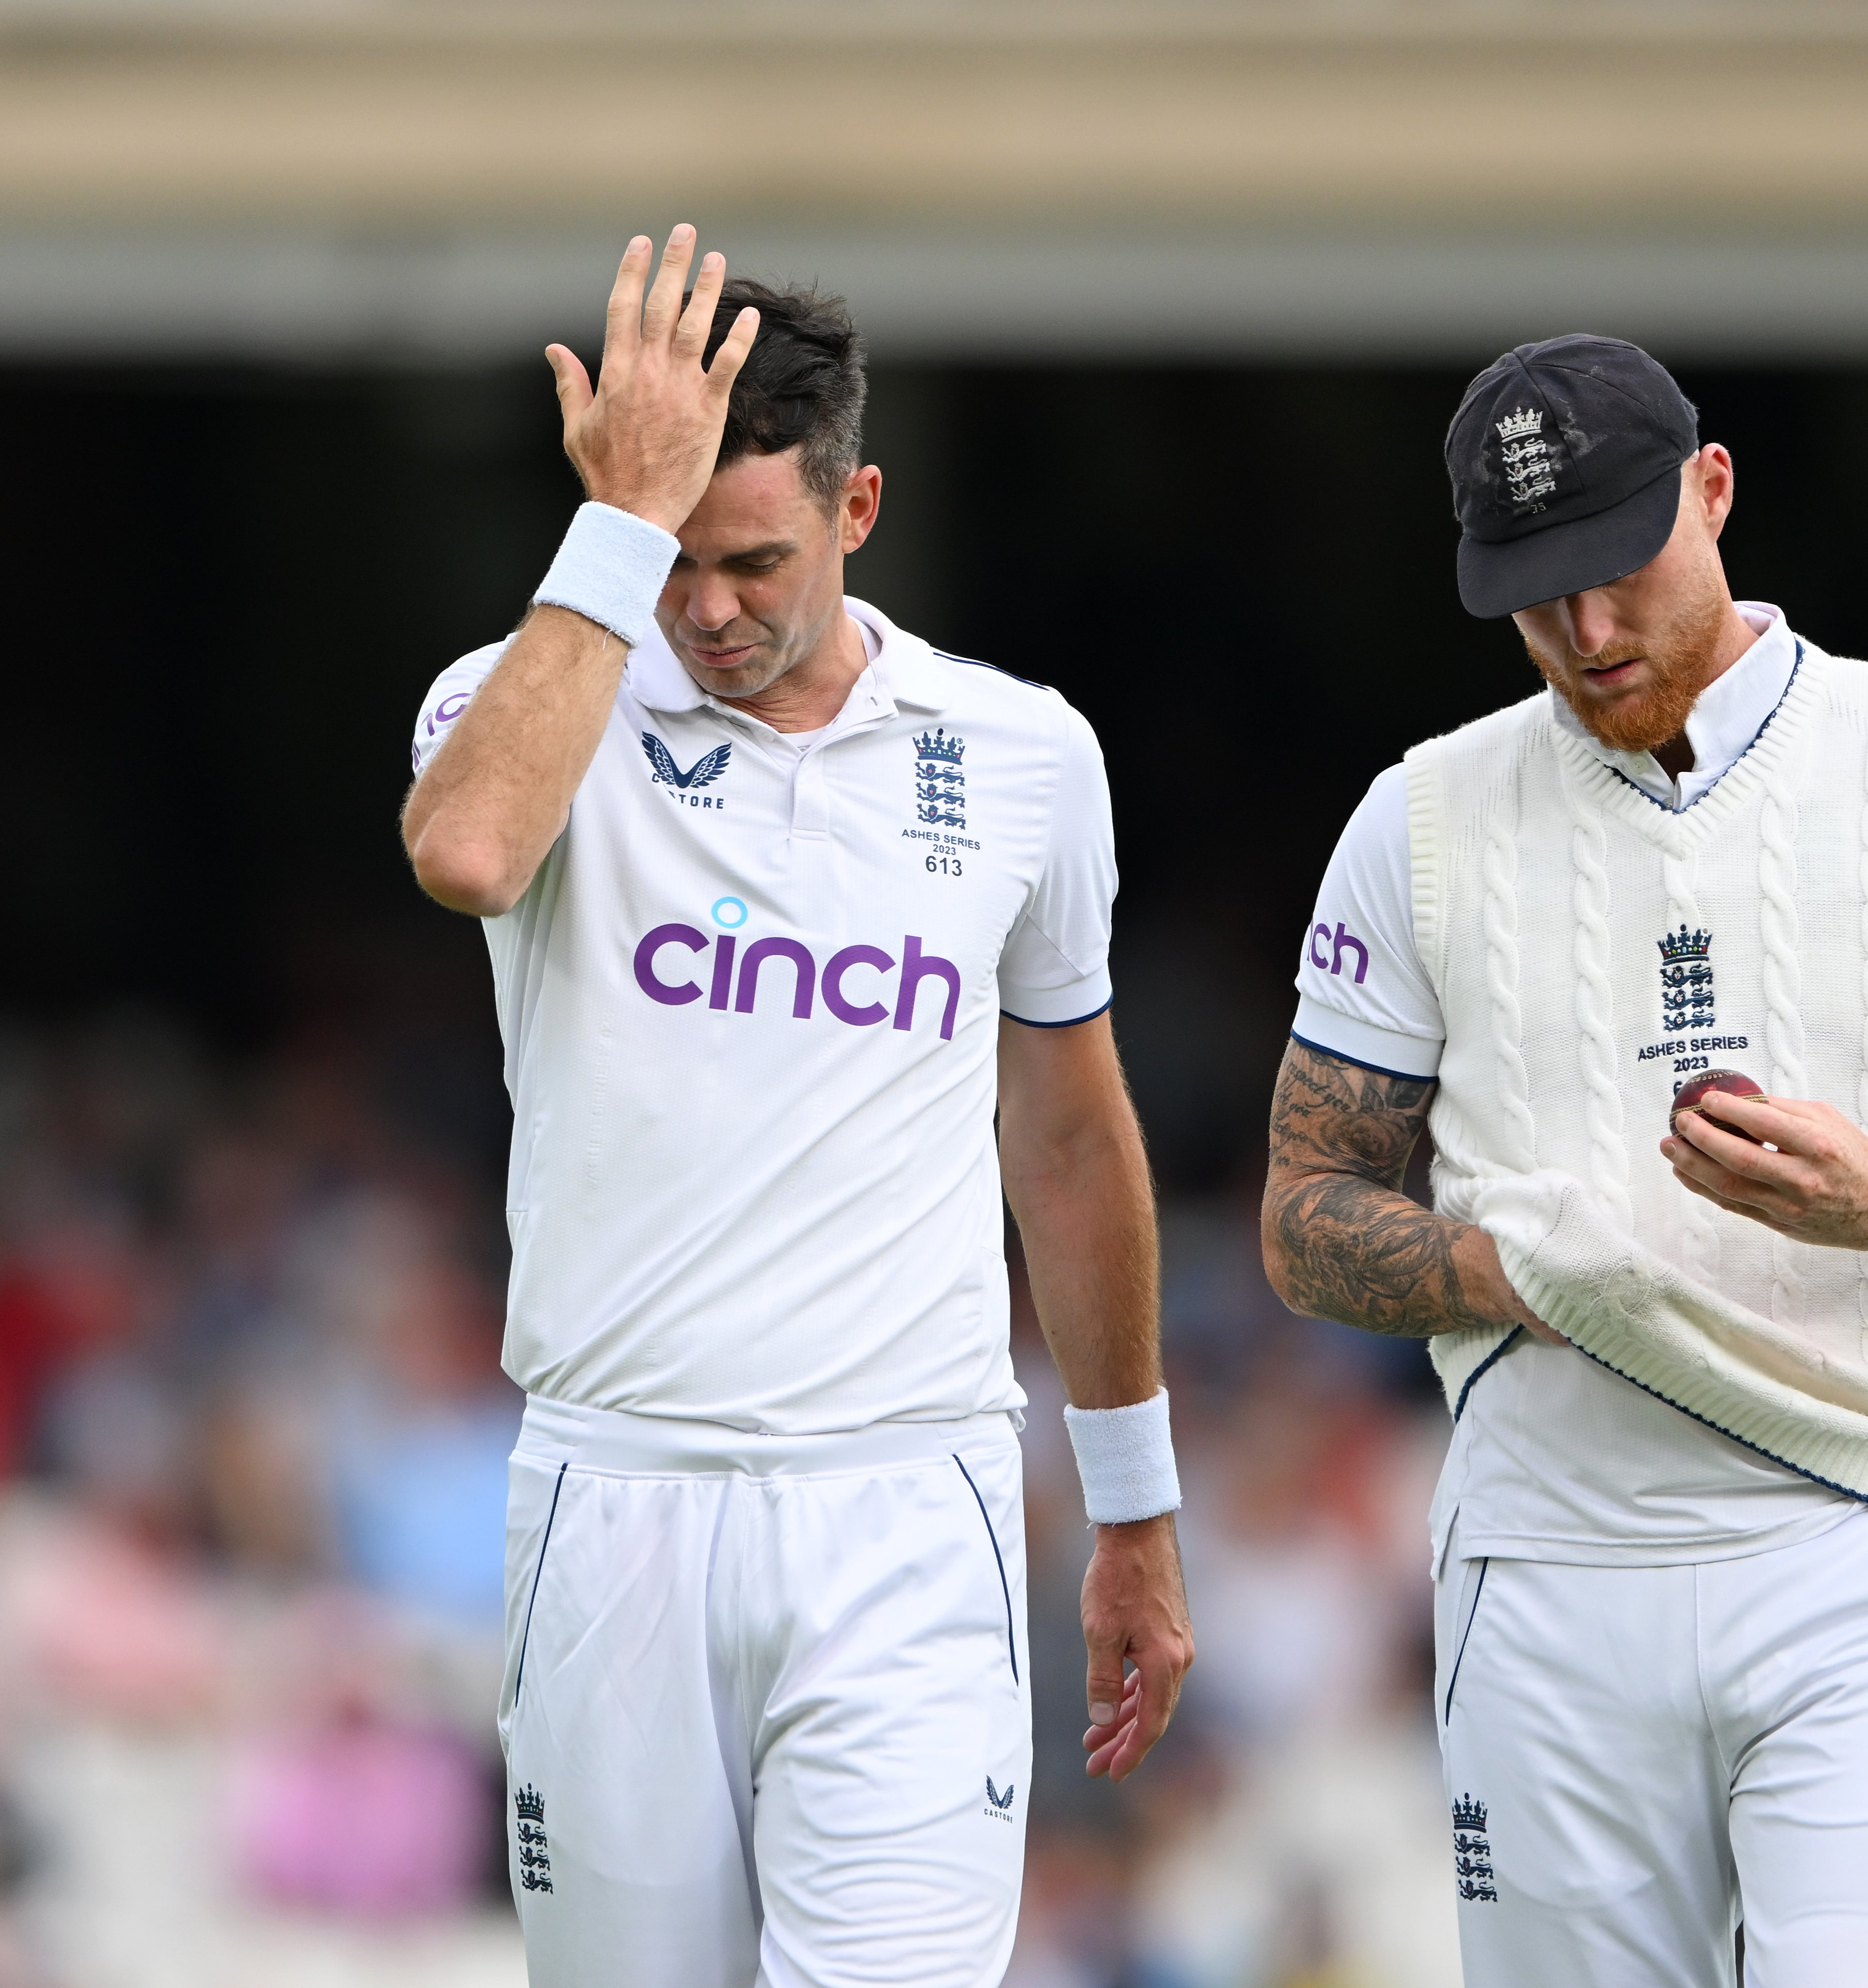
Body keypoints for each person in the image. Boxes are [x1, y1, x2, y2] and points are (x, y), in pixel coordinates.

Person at [1262, 335, 1868, 1985]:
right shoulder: (1422, 817)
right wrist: (1516, 1276)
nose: (1586, 634)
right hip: (1543, 1567)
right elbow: (1306, 1218)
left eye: (1616, 565)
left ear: (1714, 488)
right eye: (1536, 593)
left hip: (1865, 1533)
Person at [400, 228, 1192, 1988]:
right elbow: (465, 853)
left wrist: (1135, 1510)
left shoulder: (1025, 755)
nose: (708, 611)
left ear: (861, 509)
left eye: (753, 560)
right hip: (616, 1501)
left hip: (907, 1505)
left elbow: (1065, 1138)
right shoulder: (528, 698)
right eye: (671, 562)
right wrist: (617, 528)